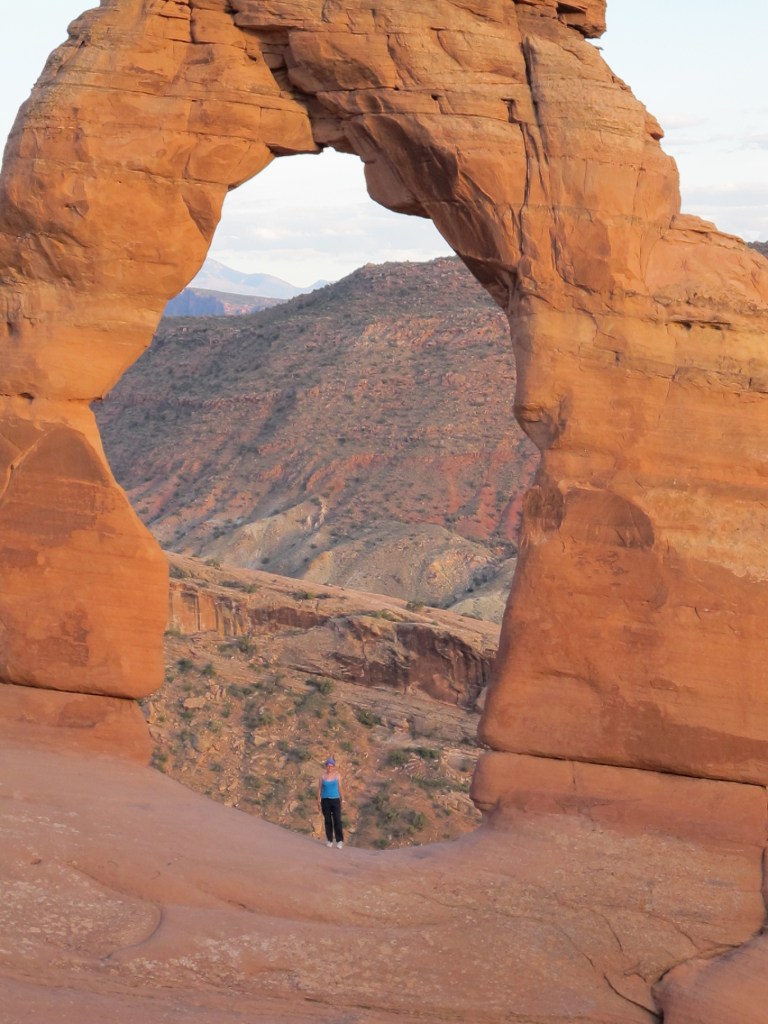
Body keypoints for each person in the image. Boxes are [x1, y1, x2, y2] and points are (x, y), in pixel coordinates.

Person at [318, 756, 344, 848]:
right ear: (326, 766)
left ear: (333, 766)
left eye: (331, 766)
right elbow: (319, 789)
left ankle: (339, 840)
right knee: (328, 820)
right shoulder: (322, 776)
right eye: (328, 766)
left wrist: (342, 799)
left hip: (335, 799)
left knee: (337, 819)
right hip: (325, 800)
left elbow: (340, 788)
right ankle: (329, 840)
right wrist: (318, 800)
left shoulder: (337, 775)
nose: (329, 768)